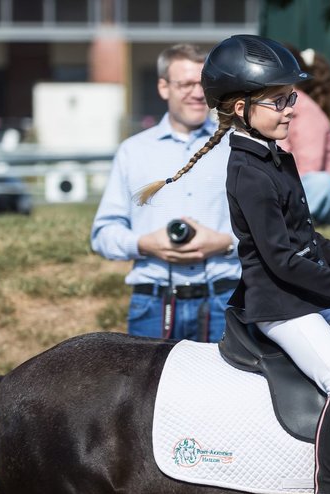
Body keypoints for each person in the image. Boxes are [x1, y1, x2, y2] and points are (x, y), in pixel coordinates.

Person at [137, 35, 330, 494]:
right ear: (240, 107)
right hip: (279, 305)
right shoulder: (247, 170)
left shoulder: (276, 158)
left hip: (301, 297)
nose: (290, 108)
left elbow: (306, 237)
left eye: (290, 98)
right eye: (278, 101)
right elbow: (280, 259)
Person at [90, 44, 239, 343]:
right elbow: (103, 234)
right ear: (163, 87)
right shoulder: (134, 151)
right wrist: (144, 244)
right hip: (152, 305)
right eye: (185, 84)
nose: (197, 93)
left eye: (203, 84)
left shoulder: (236, 147)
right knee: (151, 391)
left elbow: (272, 230)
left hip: (225, 300)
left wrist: (225, 243)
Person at [280, 45, 330, 227]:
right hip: (283, 193)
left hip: (319, 195)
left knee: (322, 183)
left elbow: (310, 167)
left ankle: (280, 224)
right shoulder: (263, 107)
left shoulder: (305, 109)